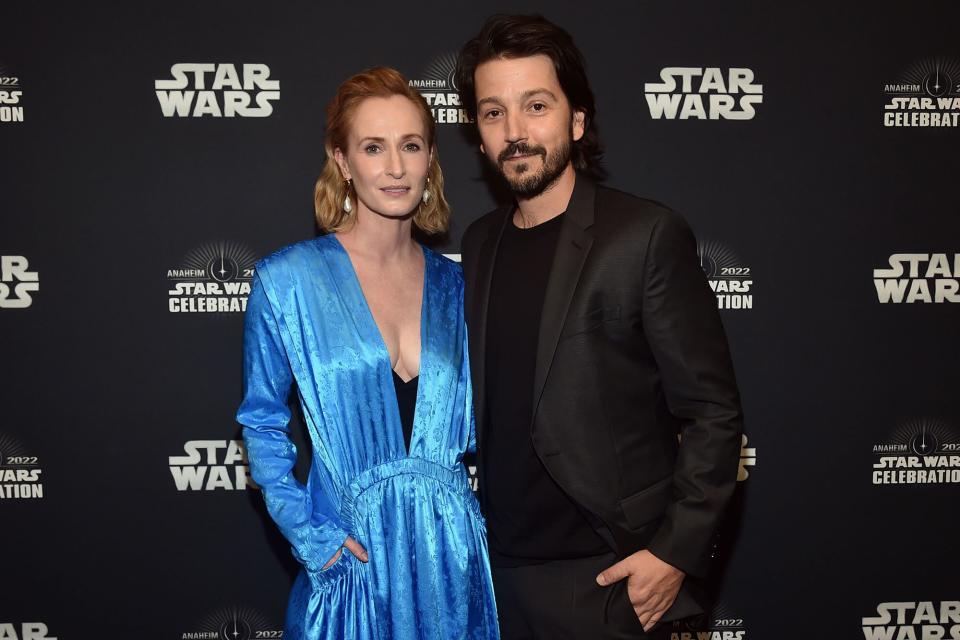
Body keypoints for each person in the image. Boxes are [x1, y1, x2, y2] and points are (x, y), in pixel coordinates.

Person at [456, 15, 744, 639]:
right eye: (493, 113)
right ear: (477, 136)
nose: (515, 133)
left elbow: (713, 413)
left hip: (613, 578)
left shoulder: (644, 236)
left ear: (577, 120)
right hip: (500, 579)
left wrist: (673, 554)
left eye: (536, 105)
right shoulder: (479, 245)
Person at [236, 67, 499, 640]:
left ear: (432, 159)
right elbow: (261, 421)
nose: (396, 167)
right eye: (373, 147)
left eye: (411, 146)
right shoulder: (288, 282)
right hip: (350, 565)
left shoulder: (460, 287)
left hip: (454, 567)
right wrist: (311, 538)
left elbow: (493, 423)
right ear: (341, 159)